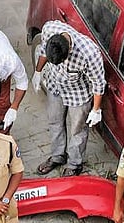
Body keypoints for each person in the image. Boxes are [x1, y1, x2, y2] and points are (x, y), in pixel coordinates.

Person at [32, 20, 106, 177]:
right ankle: (58, 156)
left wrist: (96, 109)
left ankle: (74, 164)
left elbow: (98, 82)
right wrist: (38, 72)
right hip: (55, 85)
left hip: (78, 93)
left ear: (69, 51)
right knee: (54, 121)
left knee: (77, 130)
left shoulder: (89, 53)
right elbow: (44, 53)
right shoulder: (49, 28)